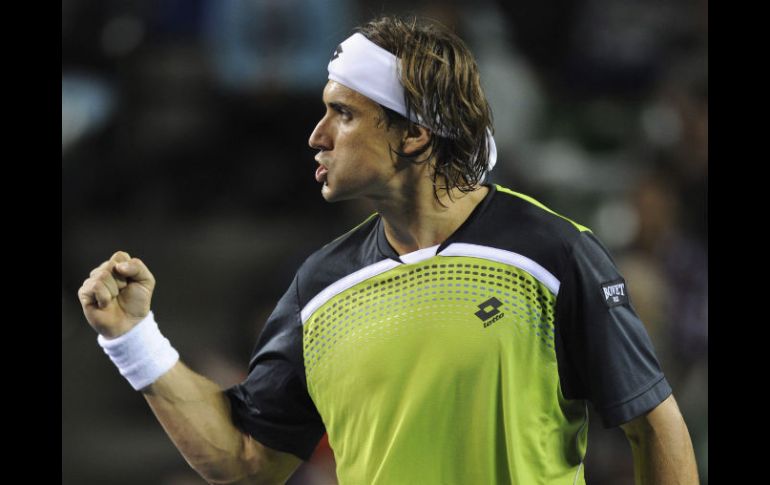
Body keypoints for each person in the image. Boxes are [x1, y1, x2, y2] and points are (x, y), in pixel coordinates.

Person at [78, 15, 699, 485]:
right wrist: (134, 339)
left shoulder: (554, 253)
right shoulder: (317, 285)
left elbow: (653, 425)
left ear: (413, 133)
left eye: (342, 115)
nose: (316, 136)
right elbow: (246, 460)